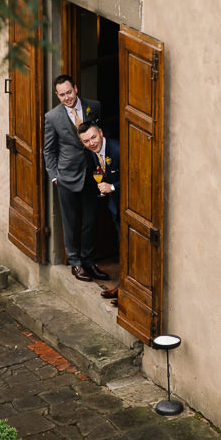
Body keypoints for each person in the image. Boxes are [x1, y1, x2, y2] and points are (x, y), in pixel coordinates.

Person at [43, 75, 109, 282]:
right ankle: (75, 263)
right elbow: (48, 150)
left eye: (69, 92)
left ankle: (88, 261)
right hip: (67, 177)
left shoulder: (94, 107)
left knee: (90, 221)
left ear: (76, 89)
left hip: (93, 175)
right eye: (62, 94)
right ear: (57, 95)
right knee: (70, 222)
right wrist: (55, 177)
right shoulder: (52, 117)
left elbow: (102, 135)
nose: (67, 98)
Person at [77, 121, 120, 306]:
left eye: (93, 137)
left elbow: (135, 176)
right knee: (122, 245)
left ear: (101, 133)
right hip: (113, 204)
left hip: (130, 205)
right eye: (86, 141)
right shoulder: (91, 153)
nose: (91, 143)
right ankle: (123, 287)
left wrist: (111, 187)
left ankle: (127, 292)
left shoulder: (117, 150)